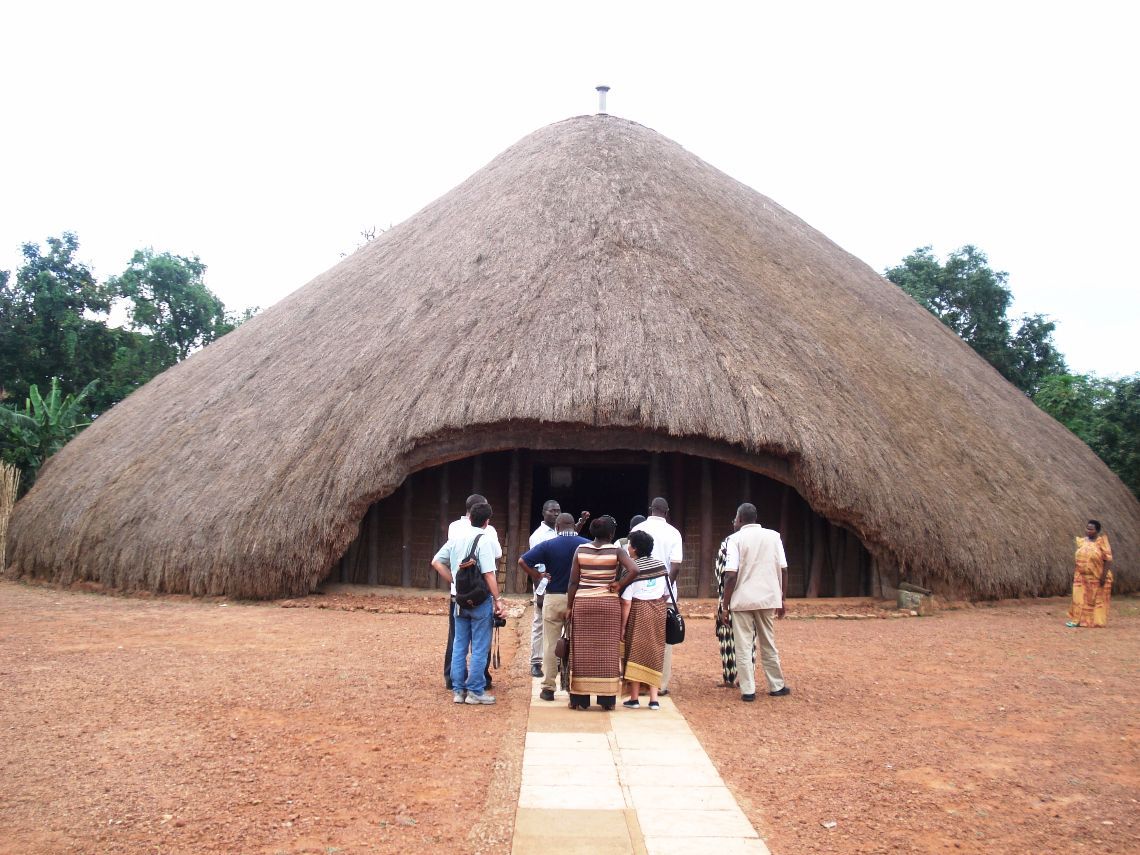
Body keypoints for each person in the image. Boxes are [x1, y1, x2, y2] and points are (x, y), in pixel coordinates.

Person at [431, 502, 508, 705]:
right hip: (480, 600)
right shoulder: (486, 540)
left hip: (459, 599)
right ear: (487, 522)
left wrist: (453, 580)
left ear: (469, 517)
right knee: (480, 646)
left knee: (459, 645)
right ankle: (475, 690)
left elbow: (436, 562)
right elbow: (489, 575)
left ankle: (459, 691)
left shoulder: (456, 538)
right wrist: (498, 600)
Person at [719, 502, 791, 702]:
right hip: (768, 598)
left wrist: (725, 606)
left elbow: (730, 575)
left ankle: (748, 690)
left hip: (742, 601)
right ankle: (776, 685)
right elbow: (783, 569)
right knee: (768, 643)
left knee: (742, 646)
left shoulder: (734, 539)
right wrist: (782, 598)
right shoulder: (773, 536)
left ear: (740, 519)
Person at [566, 515, 638, 710]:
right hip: (608, 604)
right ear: (611, 533)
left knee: (582, 651)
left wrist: (569, 607)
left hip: (583, 603)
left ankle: (580, 699)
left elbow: (573, 582)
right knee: (608, 651)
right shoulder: (617, 550)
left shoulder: (580, 550)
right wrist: (619, 584)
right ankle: (606, 700)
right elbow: (634, 569)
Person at [519, 513, 589, 701]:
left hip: (553, 598)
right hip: (579, 600)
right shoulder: (586, 545)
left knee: (551, 644)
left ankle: (549, 687)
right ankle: (577, 687)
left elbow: (522, 561)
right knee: (578, 644)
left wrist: (537, 575)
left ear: (557, 527)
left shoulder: (548, 545)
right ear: (573, 526)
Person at [631, 498, 683, 694]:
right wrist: (664, 589)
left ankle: (640, 684)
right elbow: (676, 565)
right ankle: (660, 685)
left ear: (650, 509)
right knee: (664, 640)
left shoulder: (638, 529)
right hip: (666, 596)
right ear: (667, 512)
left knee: (639, 638)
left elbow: (631, 561)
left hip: (639, 593)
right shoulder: (674, 533)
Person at [619, 529, 668, 710]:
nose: (628, 548)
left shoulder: (633, 569)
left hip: (639, 611)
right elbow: (665, 593)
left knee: (634, 653)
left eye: (630, 545)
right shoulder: (661, 566)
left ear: (635, 548)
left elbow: (626, 601)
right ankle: (654, 699)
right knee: (655, 652)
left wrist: (622, 626)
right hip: (658, 611)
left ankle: (634, 698)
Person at [1067, 519, 1114, 628]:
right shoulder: (1082, 541)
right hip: (1081, 576)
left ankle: (1092, 621)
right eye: (1087, 528)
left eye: (1091, 529)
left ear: (1097, 531)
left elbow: (1108, 560)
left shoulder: (1101, 542)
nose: (1088, 530)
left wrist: (1103, 576)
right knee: (1078, 598)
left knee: (1094, 600)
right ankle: (1076, 620)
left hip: (1096, 577)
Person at [713, 535, 738, 687]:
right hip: (749, 598)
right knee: (748, 641)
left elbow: (723, 574)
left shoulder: (727, 545)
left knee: (727, 637)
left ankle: (729, 677)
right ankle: (744, 679)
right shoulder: (756, 542)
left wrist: (724, 605)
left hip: (728, 597)